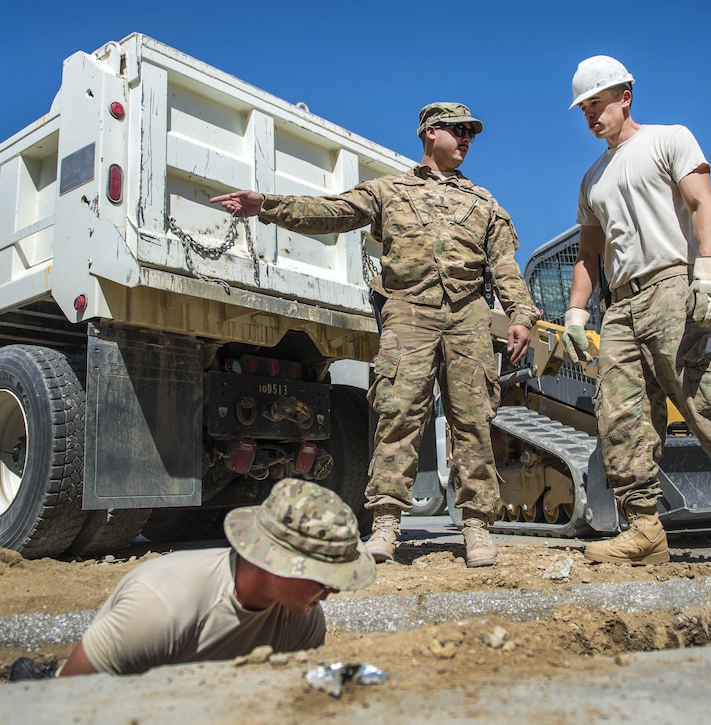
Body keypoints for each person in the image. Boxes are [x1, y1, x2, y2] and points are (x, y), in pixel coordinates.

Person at [211, 103, 540, 568]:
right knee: (398, 415)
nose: (467, 138)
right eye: (458, 130)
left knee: (473, 420)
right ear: (429, 132)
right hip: (408, 312)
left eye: (472, 133)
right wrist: (266, 207)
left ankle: (477, 527)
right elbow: (334, 213)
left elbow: (504, 266)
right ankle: (386, 523)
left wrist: (520, 314)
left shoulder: (484, 202)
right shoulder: (389, 190)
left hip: (468, 315)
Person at [561, 55, 711, 566]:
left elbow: (700, 205)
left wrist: (707, 273)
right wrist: (576, 314)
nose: (591, 115)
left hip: (671, 286)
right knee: (621, 418)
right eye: (583, 109)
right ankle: (644, 529)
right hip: (619, 306)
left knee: (705, 401)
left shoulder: (669, 139)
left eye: (597, 104)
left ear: (625, 96)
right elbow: (589, 253)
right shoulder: (592, 180)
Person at [46, 478, 375, 677]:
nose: (334, 590)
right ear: (275, 562)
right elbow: (69, 699)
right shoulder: (161, 605)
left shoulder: (303, 622)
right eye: (324, 577)